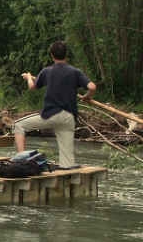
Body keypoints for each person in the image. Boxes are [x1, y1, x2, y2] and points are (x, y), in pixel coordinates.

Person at [14, 40, 96, 168]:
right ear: (66, 55)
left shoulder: (47, 71)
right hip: (69, 117)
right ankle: (67, 169)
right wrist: (86, 97)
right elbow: (92, 87)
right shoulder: (75, 72)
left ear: (52, 55)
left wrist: (29, 77)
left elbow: (32, 87)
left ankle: (23, 162)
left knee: (18, 125)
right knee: (67, 164)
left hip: (51, 114)